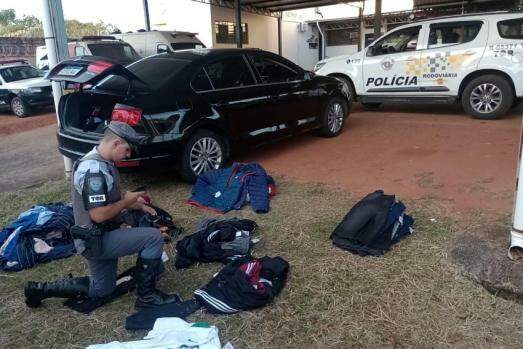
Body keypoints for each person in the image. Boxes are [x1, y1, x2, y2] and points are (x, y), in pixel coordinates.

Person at [24, 121, 179, 309]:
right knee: (153, 238)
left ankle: (40, 289)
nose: (128, 155)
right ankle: (147, 297)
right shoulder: (93, 171)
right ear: (115, 144)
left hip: (95, 237)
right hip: (96, 239)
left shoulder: (101, 162)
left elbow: (106, 197)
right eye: (127, 150)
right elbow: (99, 215)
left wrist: (137, 205)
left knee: (102, 290)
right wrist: (127, 202)